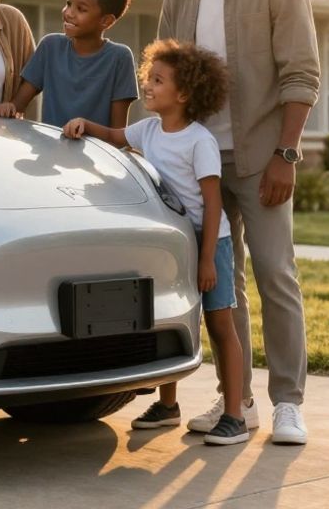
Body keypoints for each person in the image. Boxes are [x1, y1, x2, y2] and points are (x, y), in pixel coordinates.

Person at [159, 0, 318, 445]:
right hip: (200, 162)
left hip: (261, 157)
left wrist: (286, 153)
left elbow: (301, 75)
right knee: (224, 285)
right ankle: (239, 401)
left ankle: (288, 403)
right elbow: (166, 79)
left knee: (275, 274)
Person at [63, 39, 247, 445]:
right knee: (169, 320)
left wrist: (207, 260)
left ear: (182, 94)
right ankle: (168, 406)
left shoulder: (199, 141)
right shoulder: (147, 129)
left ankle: (234, 414)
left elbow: (214, 204)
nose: (147, 85)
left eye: (158, 81)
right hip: (172, 240)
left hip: (209, 241)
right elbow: (113, 135)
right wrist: (84, 125)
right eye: (149, 77)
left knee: (219, 325)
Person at [0, 0, 138, 128]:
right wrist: (9, 107)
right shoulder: (50, 47)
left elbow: (117, 134)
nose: (69, 13)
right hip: (50, 150)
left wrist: (85, 128)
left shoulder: (120, 58)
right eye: (69, 4)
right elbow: (18, 105)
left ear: (106, 21)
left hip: (95, 152)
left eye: (81, 9)